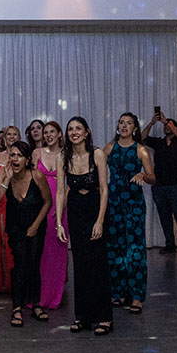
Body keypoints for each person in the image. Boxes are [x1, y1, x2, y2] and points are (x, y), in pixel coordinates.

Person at [57, 116, 113, 336]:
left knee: (97, 265)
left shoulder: (97, 154)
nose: (74, 132)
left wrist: (100, 220)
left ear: (87, 132)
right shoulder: (63, 157)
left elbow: (104, 189)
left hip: (94, 209)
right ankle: (82, 317)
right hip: (76, 211)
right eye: (70, 129)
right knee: (80, 265)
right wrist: (58, 223)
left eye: (78, 128)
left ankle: (104, 318)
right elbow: (61, 191)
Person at [0, 141, 51, 326]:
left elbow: (47, 202)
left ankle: (35, 304)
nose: (15, 158)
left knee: (33, 264)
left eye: (19, 155)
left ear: (27, 160)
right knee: (19, 264)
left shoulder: (37, 175)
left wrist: (35, 226)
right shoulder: (5, 173)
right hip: (15, 225)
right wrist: (6, 180)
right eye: (12, 155)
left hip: (36, 224)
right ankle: (17, 307)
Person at [103, 112, 154, 314]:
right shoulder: (110, 147)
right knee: (115, 248)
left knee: (134, 249)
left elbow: (153, 178)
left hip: (133, 204)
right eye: (121, 122)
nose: (124, 126)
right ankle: (120, 292)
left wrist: (144, 175)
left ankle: (136, 296)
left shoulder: (140, 150)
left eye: (129, 123)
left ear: (135, 128)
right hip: (114, 202)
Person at [141, 110, 177, 254]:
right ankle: (170, 245)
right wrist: (152, 122)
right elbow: (142, 138)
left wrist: (165, 121)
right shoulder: (159, 142)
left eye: (169, 125)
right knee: (164, 216)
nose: (166, 127)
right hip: (159, 186)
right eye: (165, 125)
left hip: (176, 185)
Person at [32, 120, 67, 311]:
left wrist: (61, 210)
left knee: (56, 252)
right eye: (45, 132)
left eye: (52, 131)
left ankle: (53, 295)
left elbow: (68, 185)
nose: (48, 135)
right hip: (39, 203)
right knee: (39, 250)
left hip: (59, 205)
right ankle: (36, 295)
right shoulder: (37, 153)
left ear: (60, 134)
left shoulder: (66, 154)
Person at [0, 125, 22, 295]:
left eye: (14, 134)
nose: (11, 136)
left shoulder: (23, 155)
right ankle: (4, 282)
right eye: (8, 134)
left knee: (16, 240)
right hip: (1, 199)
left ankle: (17, 280)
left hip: (18, 199)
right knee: (1, 240)